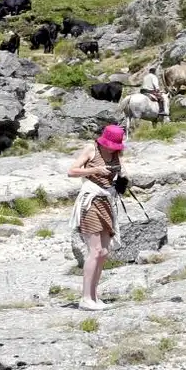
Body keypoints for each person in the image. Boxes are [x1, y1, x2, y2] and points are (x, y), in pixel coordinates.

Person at [67, 125, 128, 311]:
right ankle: (85, 298)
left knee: (103, 253)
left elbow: (122, 173)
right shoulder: (91, 149)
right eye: (110, 145)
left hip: (106, 202)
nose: (112, 149)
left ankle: (94, 296)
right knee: (95, 250)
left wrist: (123, 179)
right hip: (90, 201)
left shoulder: (117, 154)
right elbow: (71, 171)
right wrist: (94, 171)